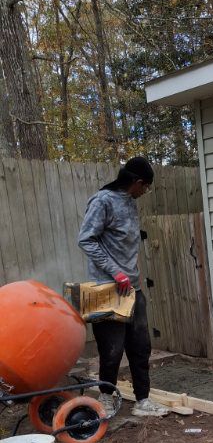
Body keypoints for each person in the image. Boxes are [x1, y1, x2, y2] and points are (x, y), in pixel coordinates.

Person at [78, 156, 168, 417]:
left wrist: (131, 268)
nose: (145, 192)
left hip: (133, 288)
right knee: (112, 350)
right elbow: (86, 240)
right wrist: (116, 271)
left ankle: (143, 401)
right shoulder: (102, 201)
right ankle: (105, 399)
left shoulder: (130, 203)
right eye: (146, 187)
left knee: (140, 347)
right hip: (106, 288)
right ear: (137, 182)